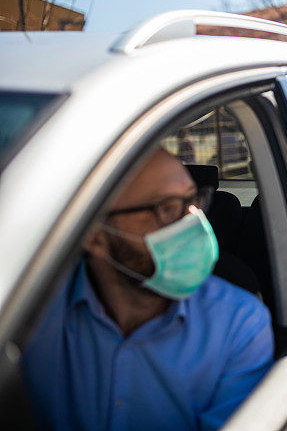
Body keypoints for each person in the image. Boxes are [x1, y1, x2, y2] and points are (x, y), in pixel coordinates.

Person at [22, 147, 274, 431]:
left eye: (194, 201)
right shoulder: (30, 315)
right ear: (95, 236)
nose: (194, 222)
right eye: (166, 208)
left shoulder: (240, 323)